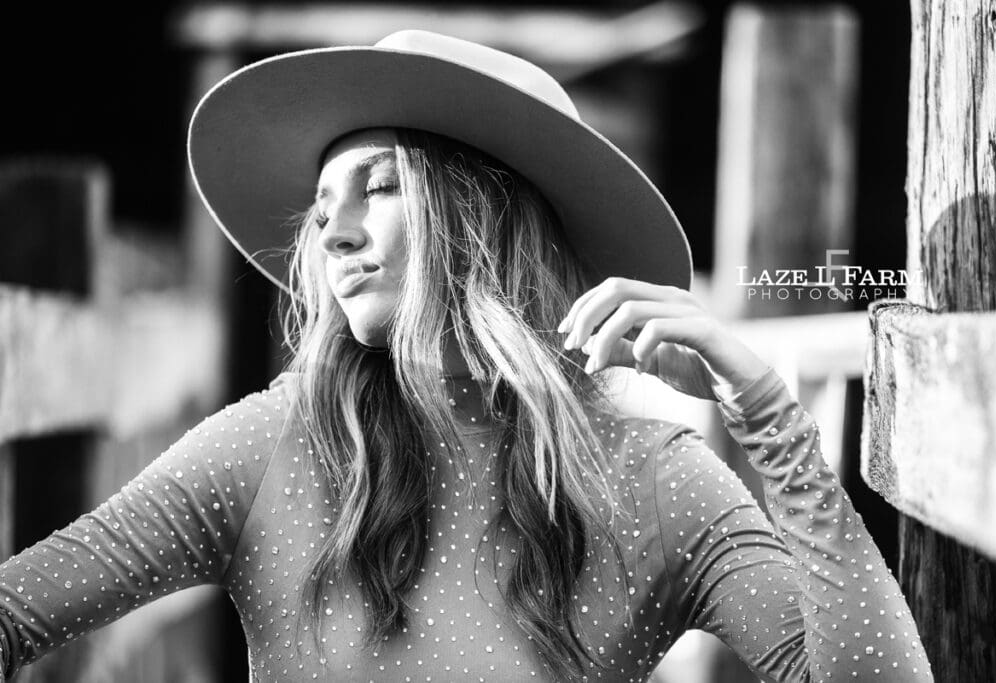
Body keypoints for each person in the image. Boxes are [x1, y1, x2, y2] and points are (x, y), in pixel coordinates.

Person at [0, 30, 933, 683]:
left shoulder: (656, 483)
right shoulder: (272, 444)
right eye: (325, 205)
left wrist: (769, 415)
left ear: (479, 219)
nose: (335, 231)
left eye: (381, 185)